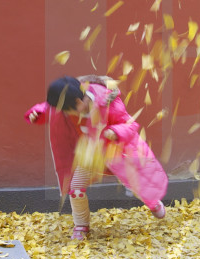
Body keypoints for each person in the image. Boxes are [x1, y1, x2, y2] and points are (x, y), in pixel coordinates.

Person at [25, 76, 168, 240]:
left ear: (79, 102)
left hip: (118, 151)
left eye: (68, 111)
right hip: (90, 154)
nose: (66, 115)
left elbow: (130, 125)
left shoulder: (107, 102)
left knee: (138, 182)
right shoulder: (69, 101)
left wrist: (115, 132)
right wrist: (38, 112)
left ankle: (153, 202)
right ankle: (81, 225)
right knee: (76, 188)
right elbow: (49, 107)